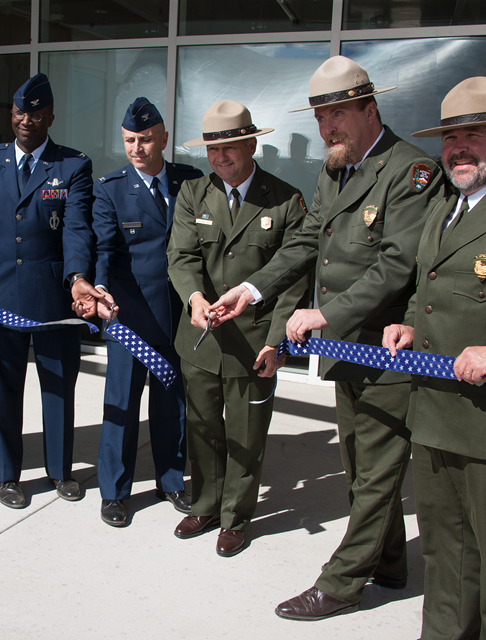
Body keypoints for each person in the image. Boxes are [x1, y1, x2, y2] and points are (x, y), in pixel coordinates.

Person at [211, 55, 443, 618]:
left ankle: (341, 582)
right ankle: (388, 562)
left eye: (338, 113)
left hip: (388, 348)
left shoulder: (410, 171)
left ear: (370, 109)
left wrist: (325, 314)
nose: (328, 127)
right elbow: (308, 238)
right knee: (361, 463)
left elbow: (394, 265)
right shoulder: (335, 168)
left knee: (378, 468)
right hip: (346, 349)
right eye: (320, 117)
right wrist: (253, 290)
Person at [383, 76, 486, 640]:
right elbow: (430, 287)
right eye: (450, 137)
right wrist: (411, 323)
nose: (458, 147)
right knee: (445, 559)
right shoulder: (445, 207)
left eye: (474, 134)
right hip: (435, 417)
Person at [166, 100, 310, 557]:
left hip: (254, 344)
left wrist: (276, 342)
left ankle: (236, 516)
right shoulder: (194, 193)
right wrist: (194, 299)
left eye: (229, 147)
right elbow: (182, 256)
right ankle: (206, 504)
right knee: (203, 428)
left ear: (251, 143)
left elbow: (294, 278)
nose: (220, 158)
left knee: (246, 433)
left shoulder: (286, 201)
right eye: (212, 149)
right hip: (201, 338)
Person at [0, 73, 97, 508]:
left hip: (54, 301)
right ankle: (6, 475)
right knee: (3, 388)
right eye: (19, 112)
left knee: (57, 387)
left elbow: (76, 231)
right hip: (0, 298)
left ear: (50, 116)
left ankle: (60, 472)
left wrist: (77, 278)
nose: (26, 120)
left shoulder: (73, 166)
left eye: (35, 113)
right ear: (10, 115)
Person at [89, 97, 202, 527]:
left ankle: (171, 481)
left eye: (146, 139)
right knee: (121, 404)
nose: (137, 148)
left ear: (164, 139)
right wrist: (99, 287)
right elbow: (103, 248)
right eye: (130, 140)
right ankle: (114, 492)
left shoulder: (189, 182)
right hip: (130, 317)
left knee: (172, 403)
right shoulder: (111, 187)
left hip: (177, 314)